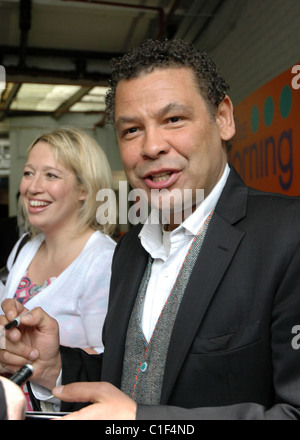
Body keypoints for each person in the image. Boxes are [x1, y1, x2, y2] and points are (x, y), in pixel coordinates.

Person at [1, 39, 300, 420]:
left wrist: (146, 423)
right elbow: (130, 382)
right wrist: (54, 364)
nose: (152, 146)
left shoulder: (288, 235)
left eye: (173, 120)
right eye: (131, 130)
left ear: (223, 118)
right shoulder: (130, 250)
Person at [0, 127, 116, 355]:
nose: (32, 187)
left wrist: (41, 360)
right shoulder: (26, 246)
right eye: (28, 173)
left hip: (57, 392)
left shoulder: (103, 260)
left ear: (83, 188)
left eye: (51, 175)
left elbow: (106, 360)